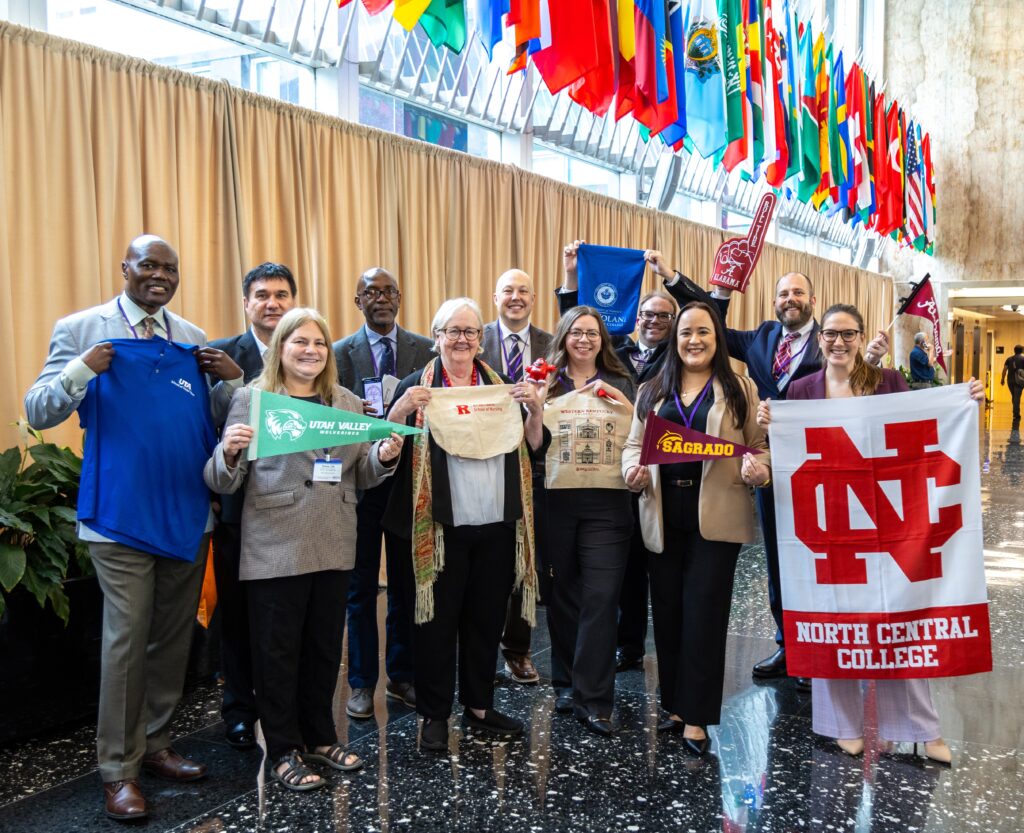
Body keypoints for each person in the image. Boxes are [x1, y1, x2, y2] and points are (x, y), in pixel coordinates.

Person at [24, 234, 244, 821]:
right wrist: (80, 370)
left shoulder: (192, 339)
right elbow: (38, 410)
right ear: (125, 268)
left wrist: (230, 379)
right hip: (118, 517)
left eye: (169, 268)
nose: (159, 275)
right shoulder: (82, 329)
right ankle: (117, 770)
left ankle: (157, 743)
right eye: (148, 264)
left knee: (171, 640)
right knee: (125, 641)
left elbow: (221, 419)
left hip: (187, 512)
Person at [643, 253, 888, 690]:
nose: (790, 299)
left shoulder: (831, 339)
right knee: (778, 555)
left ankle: (829, 643)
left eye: (797, 292)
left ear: (813, 299)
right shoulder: (761, 337)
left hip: (823, 466)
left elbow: (861, 384)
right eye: (782, 293)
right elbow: (708, 323)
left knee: (825, 556)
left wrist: (867, 360)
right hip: (764, 464)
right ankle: (789, 643)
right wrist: (674, 278)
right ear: (773, 302)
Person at [758, 303, 985, 764]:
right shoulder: (801, 390)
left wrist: (965, 399)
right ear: (819, 338)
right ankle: (840, 725)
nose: (839, 343)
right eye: (831, 335)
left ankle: (919, 728)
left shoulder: (887, 383)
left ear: (861, 338)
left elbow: (922, 430)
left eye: (848, 334)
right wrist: (771, 427)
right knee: (831, 621)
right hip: (827, 523)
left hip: (888, 520)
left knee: (901, 620)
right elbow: (781, 454)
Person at [205, 308, 404, 791]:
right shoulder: (253, 400)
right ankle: (283, 750)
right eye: (300, 342)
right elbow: (222, 481)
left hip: (334, 541)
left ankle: (320, 736)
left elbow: (361, 472)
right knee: (277, 656)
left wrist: (383, 456)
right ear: (280, 349)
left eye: (318, 343)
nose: (310, 351)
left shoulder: (347, 403)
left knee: (322, 651)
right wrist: (228, 451)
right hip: (276, 545)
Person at [383, 298, 547, 752]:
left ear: (481, 338)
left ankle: (478, 705)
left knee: (485, 619)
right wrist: (399, 411)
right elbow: (384, 445)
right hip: (438, 528)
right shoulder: (418, 384)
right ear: (436, 336)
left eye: (470, 332)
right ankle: (434, 714)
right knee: (435, 624)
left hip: (496, 523)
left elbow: (534, 447)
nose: (461, 340)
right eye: (452, 331)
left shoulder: (502, 387)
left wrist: (533, 410)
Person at [622, 301, 770, 756]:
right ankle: (675, 706)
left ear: (717, 338)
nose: (694, 340)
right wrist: (633, 470)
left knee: (703, 615)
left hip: (717, 514)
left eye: (703, 332)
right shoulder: (652, 389)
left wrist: (757, 470)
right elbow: (633, 443)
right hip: (663, 512)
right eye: (686, 332)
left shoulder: (740, 388)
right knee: (666, 614)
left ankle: (698, 716)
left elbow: (760, 448)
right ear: (675, 338)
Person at [333, 267, 434, 721]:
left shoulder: (424, 349)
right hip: (359, 479)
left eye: (389, 290)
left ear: (400, 297)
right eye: (370, 292)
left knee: (406, 585)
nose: (381, 298)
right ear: (357, 301)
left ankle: (403, 674)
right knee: (358, 588)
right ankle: (359, 684)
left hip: (410, 479)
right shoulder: (337, 353)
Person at [208, 262, 297, 751]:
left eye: (282, 294)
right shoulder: (221, 355)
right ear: (246, 303)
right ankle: (240, 709)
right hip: (239, 510)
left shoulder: (309, 351)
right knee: (240, 618)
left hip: (299, 512)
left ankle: (289, 710)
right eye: (262, 295)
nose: (272, 303)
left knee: (288, 620)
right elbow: (208, 428)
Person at [541, 307, 636, 735]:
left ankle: (596, 699)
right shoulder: (546, 381)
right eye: (576, 332)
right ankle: (565, 681)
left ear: (603, 340)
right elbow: (529, 442)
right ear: (563, 336)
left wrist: (628, 406)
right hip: (554, 501)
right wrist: (535, 402)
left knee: (601, 596)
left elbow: (640, 433)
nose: (584, 340)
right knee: (563, 593)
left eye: (592, 333)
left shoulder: (619, 382)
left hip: (608, 504)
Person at [480, 268, 553, 685]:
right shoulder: (475, 340)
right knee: (485, 561)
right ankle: (478, 649)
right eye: (508, 289)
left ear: (533, 297)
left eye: (524, 290)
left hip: (534, 461)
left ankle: (519, 649)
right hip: (482, 459)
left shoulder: (550, 346)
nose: (516, 297)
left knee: (527, 562)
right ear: (495, 296)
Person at [1000, 344, 1024, 443]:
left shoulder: (1009, 359)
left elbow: (1005, 369)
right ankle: (1016, 415)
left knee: (1014, 397)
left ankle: (1016, 412)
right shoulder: (1023, 359)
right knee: (1017, 398)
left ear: (1014, 350)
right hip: (1020, 381)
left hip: (1010, 381)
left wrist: (1002, 378)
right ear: (1022, 350)